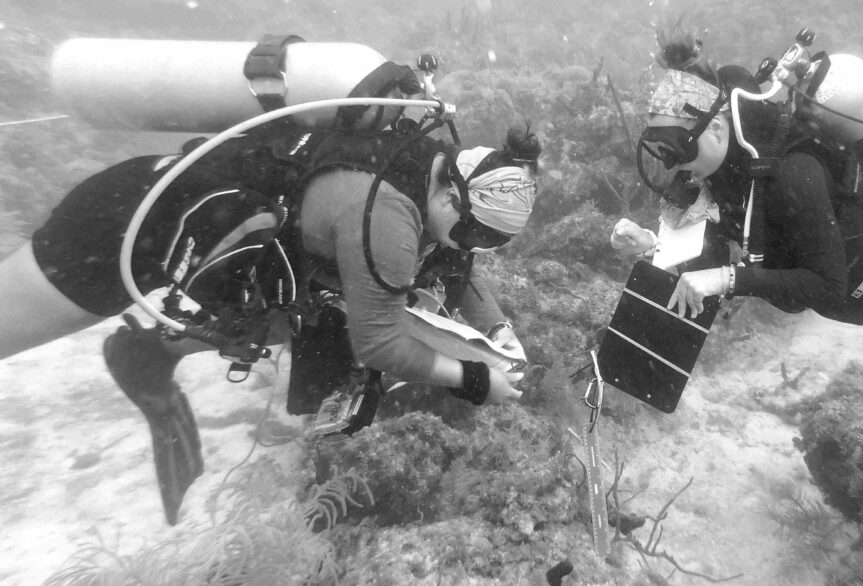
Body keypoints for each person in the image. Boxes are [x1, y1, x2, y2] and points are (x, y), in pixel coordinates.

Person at [0, 98, 540, 524]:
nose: (472, 247)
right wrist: (473, 379)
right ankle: (147, 350)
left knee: (314, 311)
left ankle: (150, 352)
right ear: (454, 192)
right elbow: (380, 344)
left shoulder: (433, 169)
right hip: (121, 226)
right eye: (473, 232)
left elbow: (458, 263)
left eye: (490, 242)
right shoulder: (389, 218)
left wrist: (497, 328)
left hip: (187, 239)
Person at [611, 25, 863, 391]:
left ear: (716, 128)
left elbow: (826, 285)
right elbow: (716, 239)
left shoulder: (793, 171)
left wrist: (724, 279)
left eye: (678, 148)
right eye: (661, 150)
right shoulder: (725, 175)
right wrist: (651, 243)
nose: (673, 164)